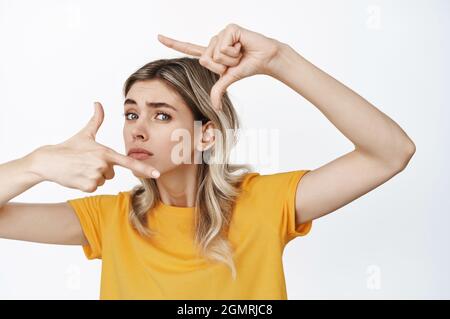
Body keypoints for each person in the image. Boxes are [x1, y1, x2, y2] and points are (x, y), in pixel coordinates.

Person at [0, 23, 415, 300]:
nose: (137, 130)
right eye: (131, 114)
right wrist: (35, 164)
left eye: (161, 115)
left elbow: (391, 153)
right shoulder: (109, 219)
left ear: (206, 134)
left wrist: (279, 61)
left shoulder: (263, 203)